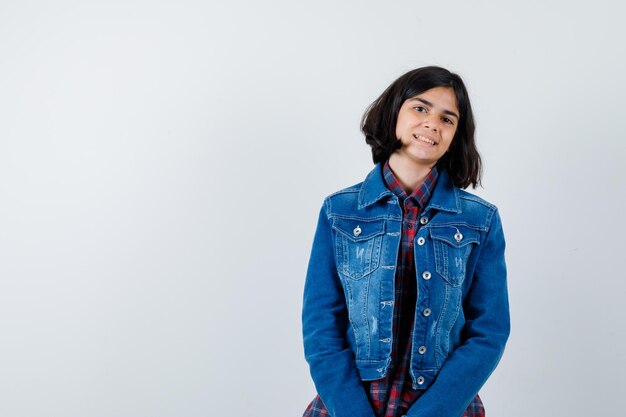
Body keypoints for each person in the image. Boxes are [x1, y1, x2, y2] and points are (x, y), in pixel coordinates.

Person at [301, 66, 510, 417]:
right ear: (394, 111)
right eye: (421, 108)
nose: (432, 124)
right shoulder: (340, 211)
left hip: (442, 408)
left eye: (448, 119)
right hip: (348, 406)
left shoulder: (480, 220)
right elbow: (321, 325)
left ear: (456, 135)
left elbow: (489, 332)